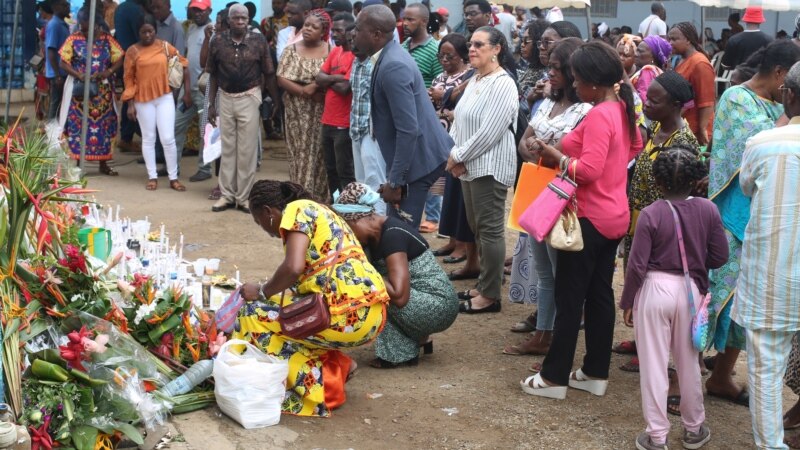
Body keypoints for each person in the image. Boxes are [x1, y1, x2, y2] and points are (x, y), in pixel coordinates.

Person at [520, 41, 643, 399]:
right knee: (599, 295)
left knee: (570, 299)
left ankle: (554, 378)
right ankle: (593, 372)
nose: (573, 86)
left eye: (576, 79)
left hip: (590, 217)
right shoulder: (620, 108)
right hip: (614, 214)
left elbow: (586, 170)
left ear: (592, 81)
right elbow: (634, 147)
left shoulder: (601, 113)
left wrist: (557, 156)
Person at [236, 180, 390, 417]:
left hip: (348, 316)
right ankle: (340, 366)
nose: (266, 231)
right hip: (371, 311)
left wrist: (262, 291)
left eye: (259, 222)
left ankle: (320, 392)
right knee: (281, 310)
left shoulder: (296, 210)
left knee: (251, 316)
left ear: (268, 211)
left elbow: (294, 267)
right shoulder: (323, 211)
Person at [706, 40, 800, 411]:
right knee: (717, 294)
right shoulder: (737, 99)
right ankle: (687, 374)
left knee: (745, 306)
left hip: (766, 217)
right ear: (780, 75)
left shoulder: (781, 105)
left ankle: (721, 375)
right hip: (732, 215)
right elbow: (752, 149)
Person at [621, 145, 726, 450]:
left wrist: (628, 301)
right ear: (695, 180)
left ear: (658, 180)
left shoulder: (651, 214)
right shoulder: (708, 210)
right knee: (689, 363)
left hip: (654, 290)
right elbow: (719, 256)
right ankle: (694, 430)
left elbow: (637, 265)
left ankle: (656, 437)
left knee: (653, 365)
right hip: (691, 291)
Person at [504, 37, 590, 350]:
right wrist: (537, 152)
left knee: (558, 269)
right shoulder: (549, 103)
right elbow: (523, 141)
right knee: (542, 269)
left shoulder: (585, 110)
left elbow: (571, 154)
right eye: (549, 66)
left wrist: (541, 151)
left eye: (556, 67)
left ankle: (554, 335)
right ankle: (543, 332)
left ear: (572, 71)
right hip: (536, 187)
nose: (549, 72)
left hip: (562, 197)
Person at [732, 60, 800, 450]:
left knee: (766, 371)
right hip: (776, 276)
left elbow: (745, 187)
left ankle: (771, 445)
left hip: (772, 277)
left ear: (787, 95)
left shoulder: (763, 143)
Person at [332, 182, 458, 368]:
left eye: (348, 229)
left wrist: (362, 269)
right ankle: (412, 341)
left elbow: (399, 296)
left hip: (438, 306)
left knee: (368, 289)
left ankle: (402, 349)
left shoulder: (392, 234)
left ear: (359, 219)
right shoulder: (375, 236)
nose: (348, 237)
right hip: (423, 300)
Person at [354, 4, 452, 228]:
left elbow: (408, 129)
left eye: (358, 29)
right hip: (412, 160)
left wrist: (396, 181)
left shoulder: (393, 66)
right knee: (398, 232)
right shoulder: (389, 56)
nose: (354, 34)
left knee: (401, 235)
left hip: (418, 163)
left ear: (376, 35)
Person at [445, 26, 518, 314]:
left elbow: (490, 131)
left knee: (489, 230)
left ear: (497, 48)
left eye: (479, 44)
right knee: (477, 228)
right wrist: (456, 154)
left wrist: (458, 155)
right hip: (469, 164)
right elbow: (462, 122)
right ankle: (484, 283)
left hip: (489, 166)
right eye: (470, 45)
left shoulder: (502, 83)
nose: (471, 49)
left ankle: (490, 295)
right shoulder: (477, 79)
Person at [207, 3, 280, 212]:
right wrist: (211, 104)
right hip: (226, 98)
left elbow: (269, 73)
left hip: (250, 97)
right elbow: (212, 74)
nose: (240, 21)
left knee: (247, 149)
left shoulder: (258, 41)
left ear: (248, 20)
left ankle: (244, 197)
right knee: (227, 148)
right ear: (229, 20)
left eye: (244, 18)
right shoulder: (217, 41)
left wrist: (275, 101)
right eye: (236, 18)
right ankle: (227, 195)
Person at [121, 14, 189, 192]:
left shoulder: (165, 47)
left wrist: (181, 90)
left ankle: (173, 178)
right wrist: (130, 104)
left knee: (168, 138)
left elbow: (183, 63)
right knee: (149, 138)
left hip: (164, 96)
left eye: (150, 31)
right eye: (143, 32)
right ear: (138, 32)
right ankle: (152, 177)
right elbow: (128, 78)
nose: (147, 35)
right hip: (142, 99)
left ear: (155, 30)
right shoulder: (132, 51)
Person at [429, 33, 476, 277]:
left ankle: (461, 246)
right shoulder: (440, 76)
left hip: (458, 139)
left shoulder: (469, 77)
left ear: (462, 55)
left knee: (458, 194)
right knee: (446, 192)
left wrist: (443, 100)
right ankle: (451, 238)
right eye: (442, 55)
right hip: (440, 138)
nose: (445, 60)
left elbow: (461, 104)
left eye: (450, 55)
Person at [58, 8, 124, 175]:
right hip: (79, 93)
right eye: (82, 27)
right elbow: (63, 62)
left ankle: (103, 164)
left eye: (87, 28)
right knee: (78, 126)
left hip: (102, 93)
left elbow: (120, 58)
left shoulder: (107, 40)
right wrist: (78, 74)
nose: (84, 31)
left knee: (105, 125)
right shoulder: (74, 39)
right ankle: (79, 164)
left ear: (98, 26)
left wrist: (108, 72)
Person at [278, 9, 332, 202]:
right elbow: (281, 77)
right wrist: (303, 91)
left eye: (313, 27)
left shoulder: (330, 50)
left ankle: (318, 200)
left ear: (323, 31)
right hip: (296, 112)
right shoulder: (291, 49)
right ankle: (299, 197)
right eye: (306, 25)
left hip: (320, 110)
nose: (307, 29)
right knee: (299, 154)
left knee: (318, 154)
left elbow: (335, 75)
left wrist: (316, 86)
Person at [315, 12, 357, 197]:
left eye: (338, 31)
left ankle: (348, 210)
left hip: (343, 123)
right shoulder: (335, 51)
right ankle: (335, 206)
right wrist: (336, 77)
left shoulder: (355, 56)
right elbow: (318, 78)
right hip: (328, 121)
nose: (334, 35)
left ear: (350, 31)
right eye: (333, 31)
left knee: (345, 171)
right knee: (331, 169)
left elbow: (345, 88)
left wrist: (328, 80)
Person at [174, 0, 214, 183]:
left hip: (205, 90)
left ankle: (204, 169)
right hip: (188, 90)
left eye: (201, 10)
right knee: (176, 126)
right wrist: (185, 88)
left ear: (209, 11)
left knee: (204, 131)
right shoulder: (190, 29)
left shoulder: (213, 30)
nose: (197, 14)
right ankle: (172, 167)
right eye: (194, 10)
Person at [669, 22, 715, 146]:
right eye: (669, 39)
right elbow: (691, 98)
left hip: (695, 129)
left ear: (688, 40)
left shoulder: (700, 63)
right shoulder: (681, 60)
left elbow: (706, 101)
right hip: (682, 124)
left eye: (675, 39)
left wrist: (702, 129)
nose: (670, 43)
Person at [114, 0, 147, 154]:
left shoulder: (121, 8)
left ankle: (126, 137)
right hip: (135, 60)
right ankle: (128, 136)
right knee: (136, 100)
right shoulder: (136, 11)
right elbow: (142, 36)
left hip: (125, 58)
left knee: (129, 97)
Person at [402, 3, 442, 88]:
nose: (405, 23)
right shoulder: (403, 46)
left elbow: (440, 84)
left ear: (424, 21)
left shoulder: (435, 50)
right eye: (404, 19)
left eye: (410, 20)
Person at [45, 0, 70, 120]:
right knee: (56, 104)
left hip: (63, 72)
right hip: (58, 73)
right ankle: (51, 135)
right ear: (55, 7)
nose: (68, 7)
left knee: (61, 104)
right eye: (64, 5)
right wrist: (57, 75)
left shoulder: (62, 24)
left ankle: (58, 133)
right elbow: (51, 51)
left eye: (68, 4)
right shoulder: (54, 25)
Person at [631, 35, 670, 105]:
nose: (635, 54)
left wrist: (625, 78)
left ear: (653, 56)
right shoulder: (656, 71)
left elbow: (643, 101)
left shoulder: (648, 71)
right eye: (636, 50)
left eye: (640, 51)